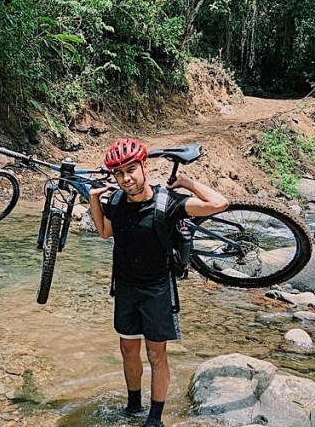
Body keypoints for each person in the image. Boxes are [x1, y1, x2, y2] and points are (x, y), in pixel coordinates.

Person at [89, 138, 229, 427]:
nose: (126, 178)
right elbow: (104, 232)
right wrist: (94, 200)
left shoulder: (168, 203)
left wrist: (188, 183)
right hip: (126, 289)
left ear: (144, 166)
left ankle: (155, 418)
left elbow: (219, 203)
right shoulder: (115, 201)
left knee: (156, 354)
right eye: (119, 173)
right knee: (128, 350)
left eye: (131, 169)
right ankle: (132, 406)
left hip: (157, 290)